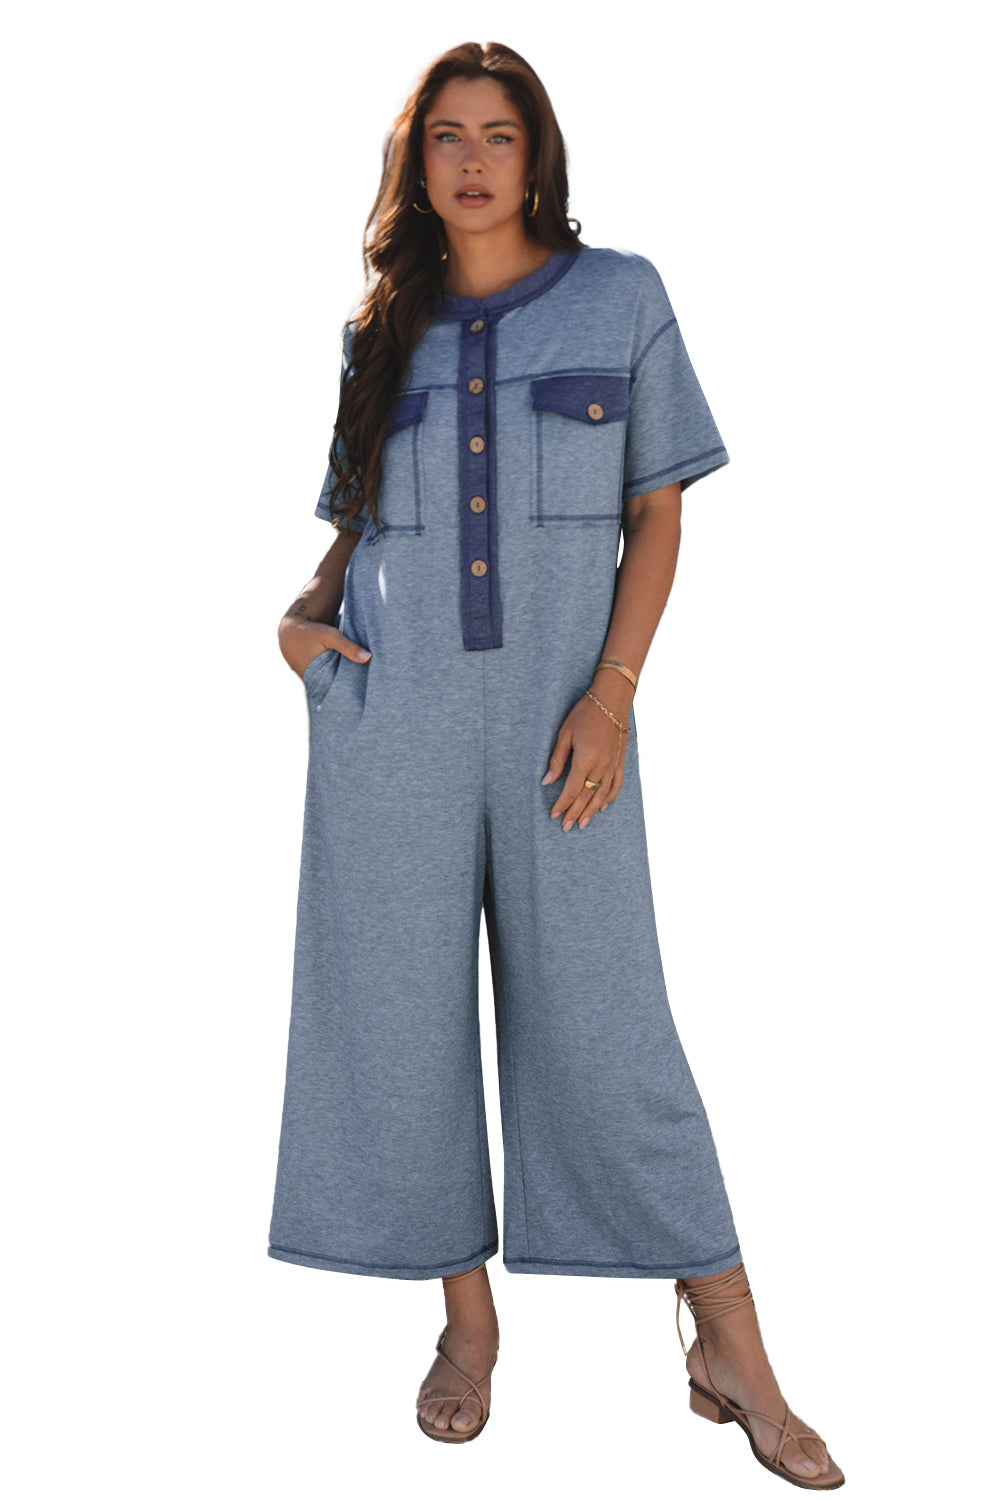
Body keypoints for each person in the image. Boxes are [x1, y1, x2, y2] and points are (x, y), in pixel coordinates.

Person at [267, 40, 844, 1489]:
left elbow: (659, 513)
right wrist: (300, 627)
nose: (472, 161)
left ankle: (729, 1342)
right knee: (397, 1028)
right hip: (391, 723)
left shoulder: (620, 296)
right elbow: (353, 528)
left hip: (562, 725)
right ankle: (468, 1327)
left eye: (499, 135)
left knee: (610, 1022)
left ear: (538, 156)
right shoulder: (376, 334)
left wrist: (613, 695)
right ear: (415, 165)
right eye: (446, 137)